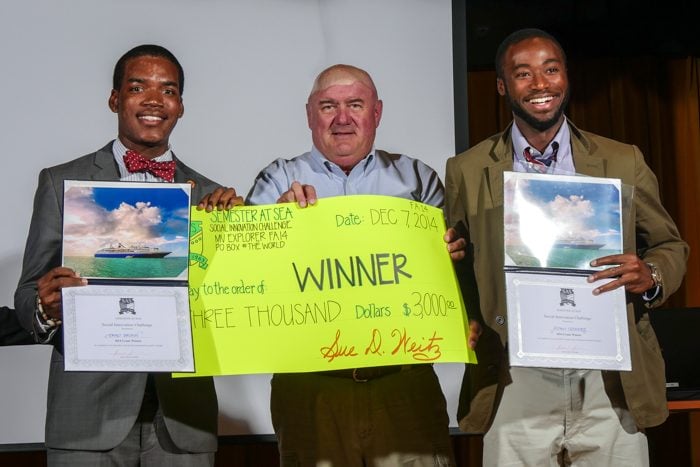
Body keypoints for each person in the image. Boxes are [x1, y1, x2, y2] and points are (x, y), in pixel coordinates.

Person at [445, 28, 689, 466]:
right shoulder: (467, 169)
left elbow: (670, 245)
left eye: (551, 70)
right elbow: (456, 262)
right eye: (523, 74)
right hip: (514, 374)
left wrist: (649, 275)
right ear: (502, 86)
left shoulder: (621, 159)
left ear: (566, 77)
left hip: (608, 375)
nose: (540, 84)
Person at [14, 44, 242, 466]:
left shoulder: (213, 199)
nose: (154, 100)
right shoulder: (61, 183)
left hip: (182, 424)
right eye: (139, 87)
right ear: (115, 99)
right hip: (85, 422)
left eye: (168, 90)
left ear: (180, 106)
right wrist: (46, 309)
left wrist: (242, 236)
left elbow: (238, 304)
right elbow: (27, 296)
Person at [242, 64, 477, 467]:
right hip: (310, 391)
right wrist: (272, 229)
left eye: (355, 104)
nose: (343, 118)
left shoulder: (418, 180)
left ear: (377, 113)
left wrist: (453, 256)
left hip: (404, 387)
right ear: (309, 114)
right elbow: (247, 274)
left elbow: (452, 276)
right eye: (328, 106)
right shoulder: (277, 180)